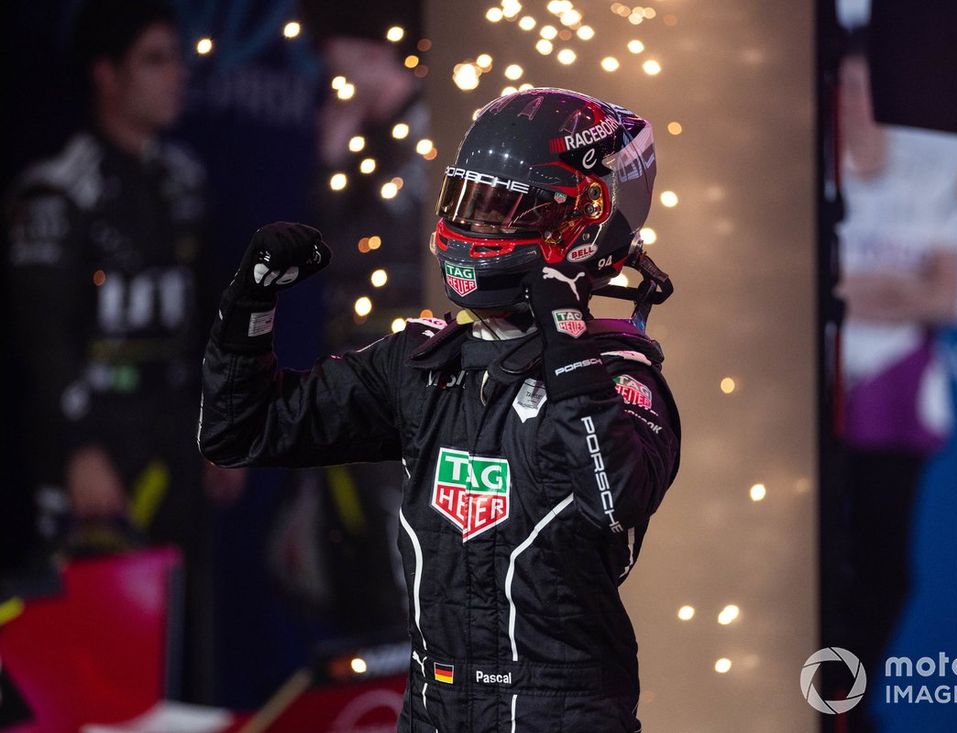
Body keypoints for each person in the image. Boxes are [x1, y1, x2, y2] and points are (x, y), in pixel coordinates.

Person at [199, 88, 680, 731]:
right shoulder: (423, 364)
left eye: (505, 211)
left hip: (562, 711)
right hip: (433, 707)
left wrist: (564, 328)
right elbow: (241, 432)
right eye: (469, 202)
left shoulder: (620, 375)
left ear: (585, 222)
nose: (476, 228)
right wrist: (249, 308)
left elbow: (614, 496)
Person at [4, 0, 241, 700]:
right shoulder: (54, 189)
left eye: (179, 59)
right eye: (155, 60)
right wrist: (78, 448)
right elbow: (41, 341)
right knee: (100, 661)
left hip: (175, 438)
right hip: (95, 450)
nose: (178, 77)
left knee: (190, 651)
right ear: (107, 75)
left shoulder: (186, 180)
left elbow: (212, 322)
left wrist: (221, 429)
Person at [829, 28, 957, 731]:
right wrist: (887, 286)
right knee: (826, 558)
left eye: (870, 88)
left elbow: (946, 300)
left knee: (887, 568)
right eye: (847, 86)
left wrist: (861, 288)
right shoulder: (817, 178)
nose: (859, 102)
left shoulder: (928, 179)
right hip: (826, 394)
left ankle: (847, 704)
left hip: (898, 393)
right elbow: (822, 294)